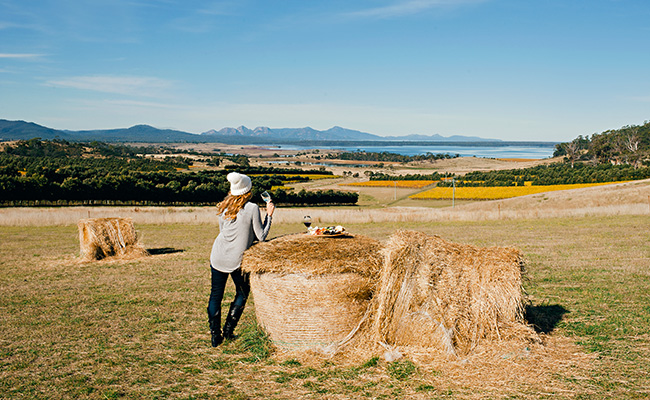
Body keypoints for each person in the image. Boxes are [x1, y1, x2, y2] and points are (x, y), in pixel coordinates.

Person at [207, 172, 275, 347]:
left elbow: (224, 232)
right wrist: (269, 215)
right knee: (242, 293)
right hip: (237, 260)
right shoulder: (252, 208)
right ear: (247, 190)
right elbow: (261, 236)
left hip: (218, 255)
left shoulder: (224, 206)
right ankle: (228, 331)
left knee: (216, 296)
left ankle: (216, 337)